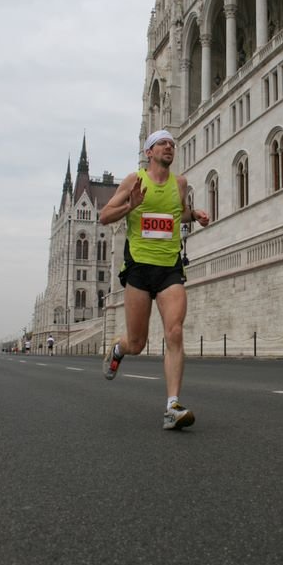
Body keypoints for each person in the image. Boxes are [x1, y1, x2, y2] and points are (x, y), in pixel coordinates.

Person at [99, 129, 210, 430]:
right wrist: (131, 205)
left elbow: (177, 213)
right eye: (162, 143)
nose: (169, 147)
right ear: (149, 152)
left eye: (172, 144)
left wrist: (195, 215)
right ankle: (119, 350)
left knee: (174, 332)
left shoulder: (180, 183)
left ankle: (172, 407)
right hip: (138, 268)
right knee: (137, 342)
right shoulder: (134, 181)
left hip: (169, 269)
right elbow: (105, 216)